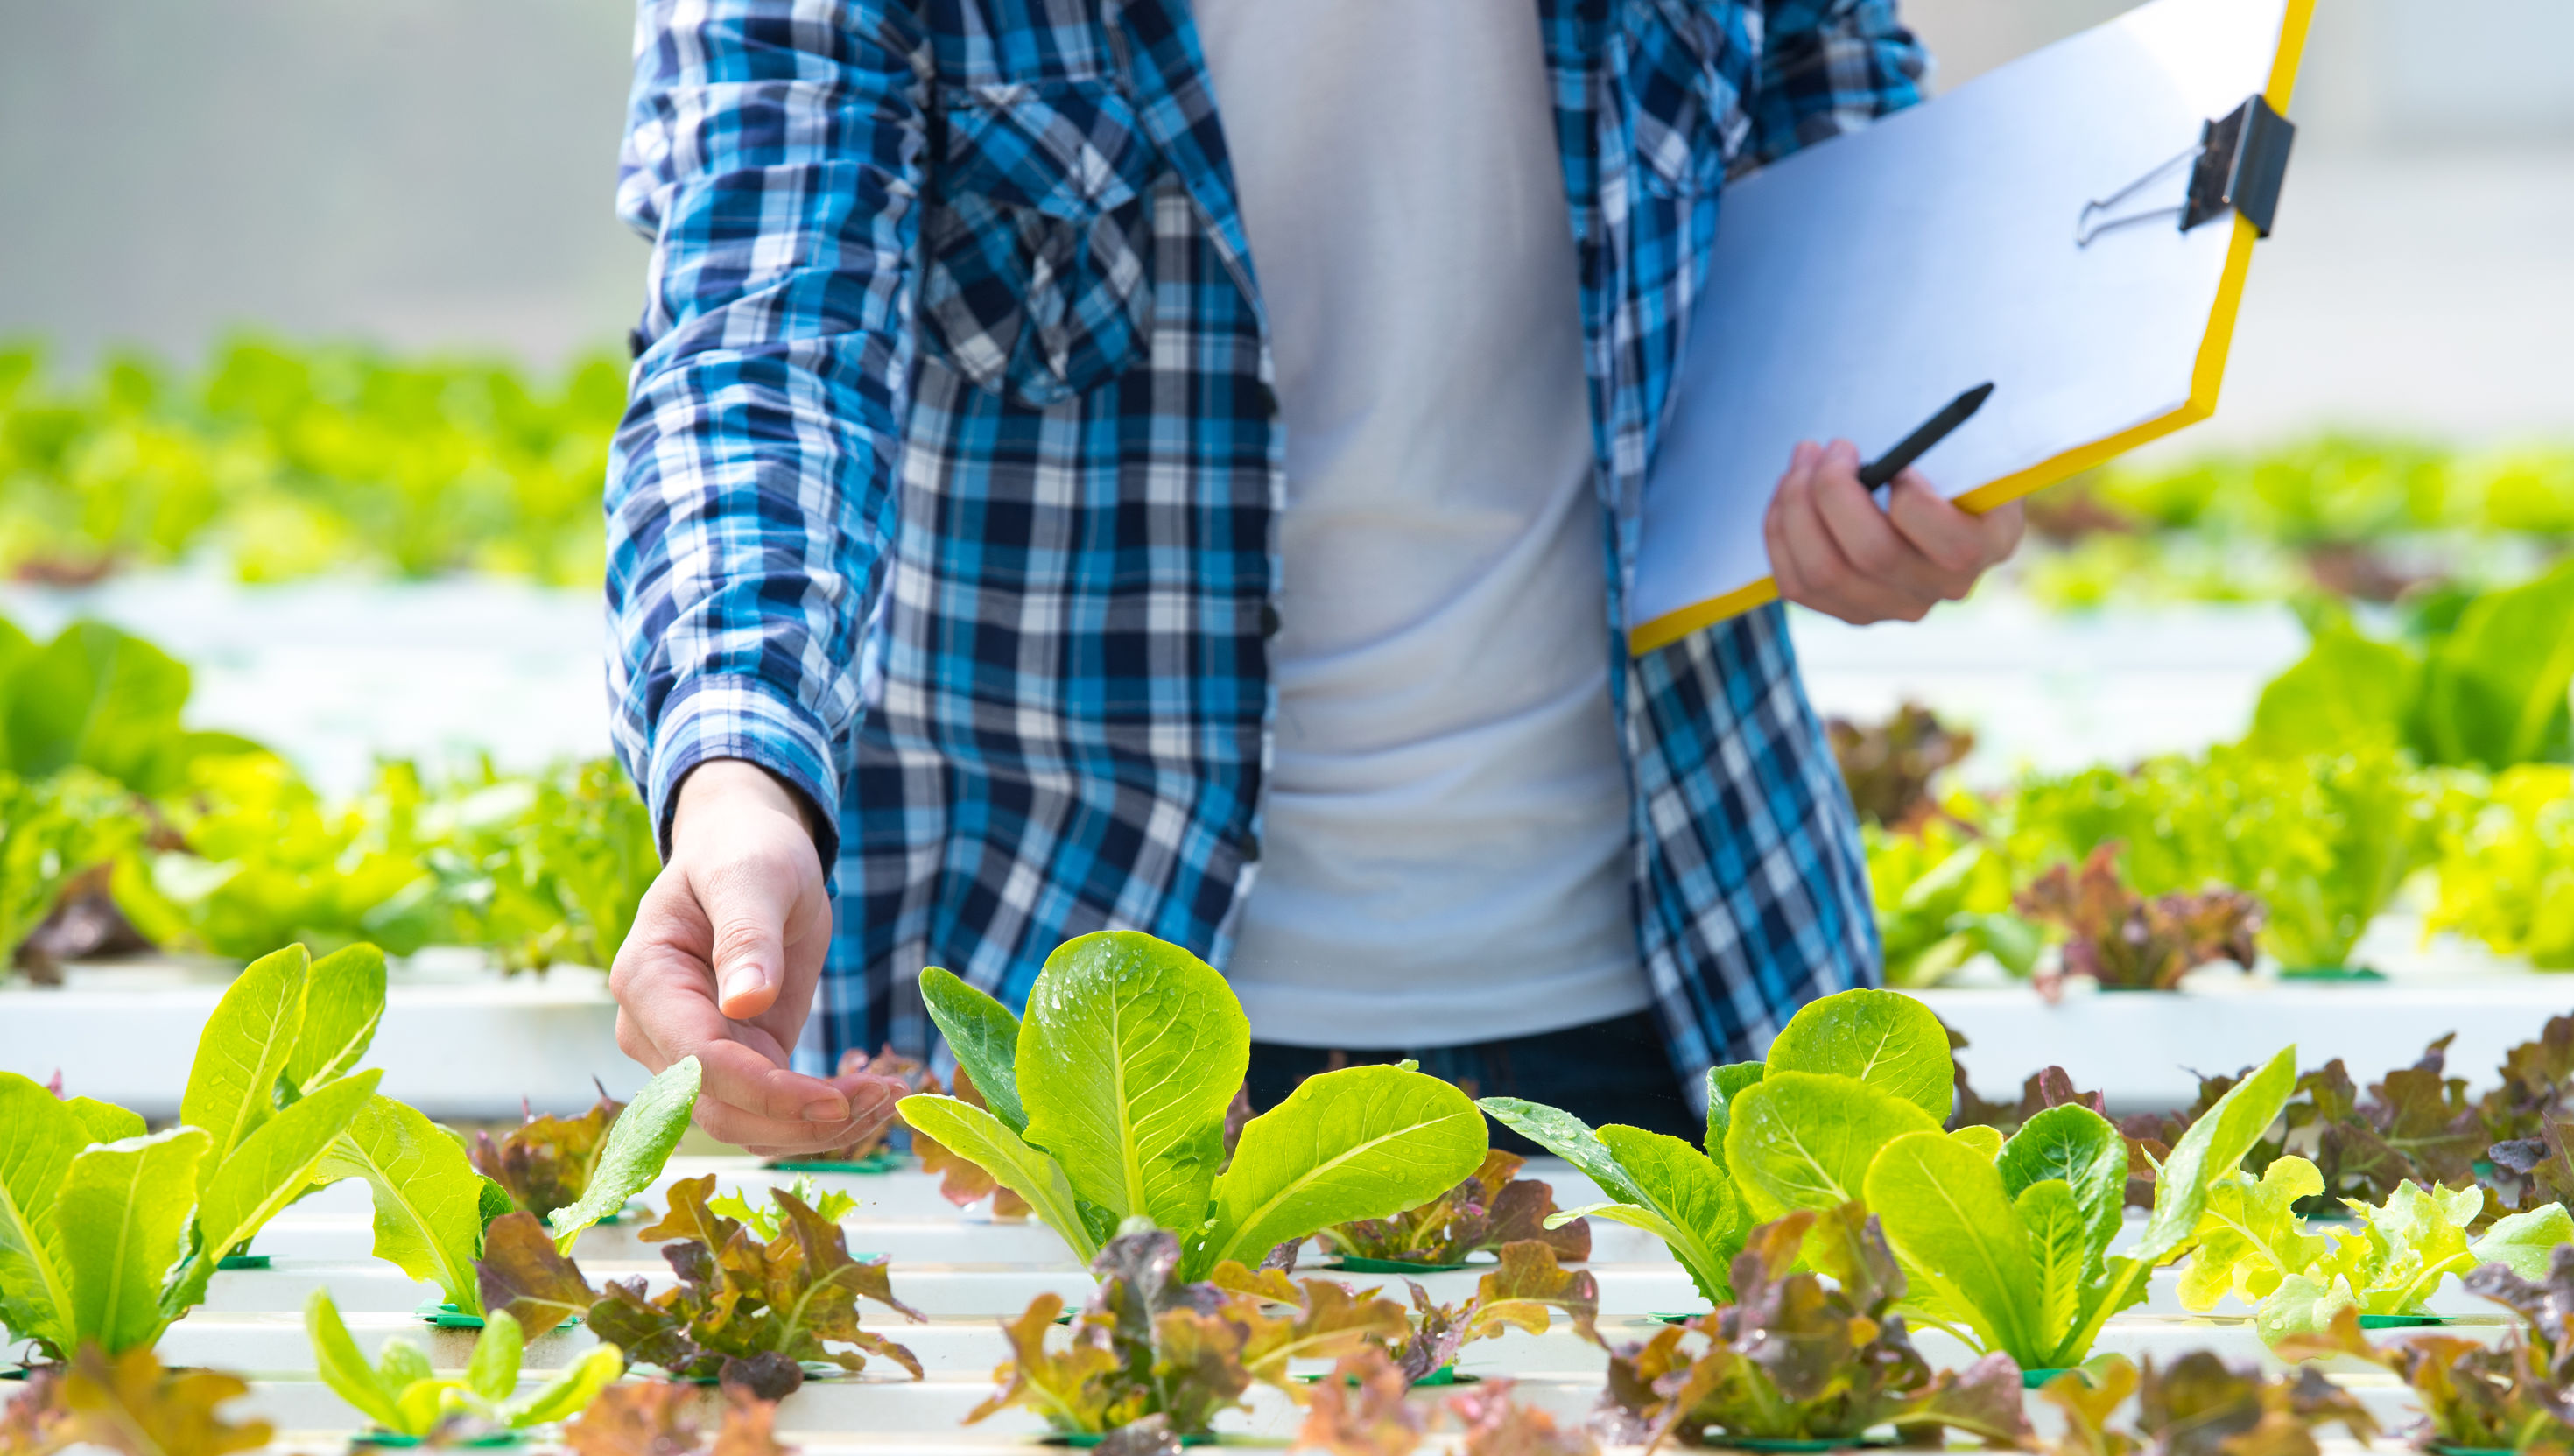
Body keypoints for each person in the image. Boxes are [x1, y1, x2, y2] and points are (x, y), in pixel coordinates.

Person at [603, 0, 2023, 1157]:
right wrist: (740, 773)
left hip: (1692, 981)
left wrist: (1937, 453)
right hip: (1079, 1017)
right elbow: (758, 350)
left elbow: (1845, 160)